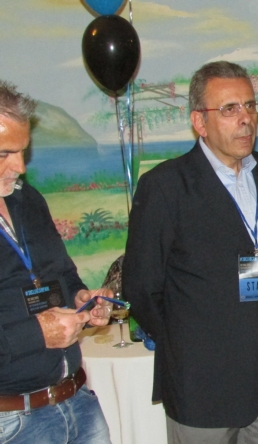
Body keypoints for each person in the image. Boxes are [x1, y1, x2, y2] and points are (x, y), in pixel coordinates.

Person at [123, 61, 258, 444]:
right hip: (200, 383)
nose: (245, 119)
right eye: (229, 109)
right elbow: (141, 287)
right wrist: (187, 343)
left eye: (250, 106)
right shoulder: (165, 186)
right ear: (199, 122)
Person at [0, 79, 112, 442]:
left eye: (23, 151)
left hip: (77, 401)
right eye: (4, 154)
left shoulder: (28, 199)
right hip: (14, 422)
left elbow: (62, 273)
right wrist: (37, 334)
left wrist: (81, 298)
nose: (19, 166)